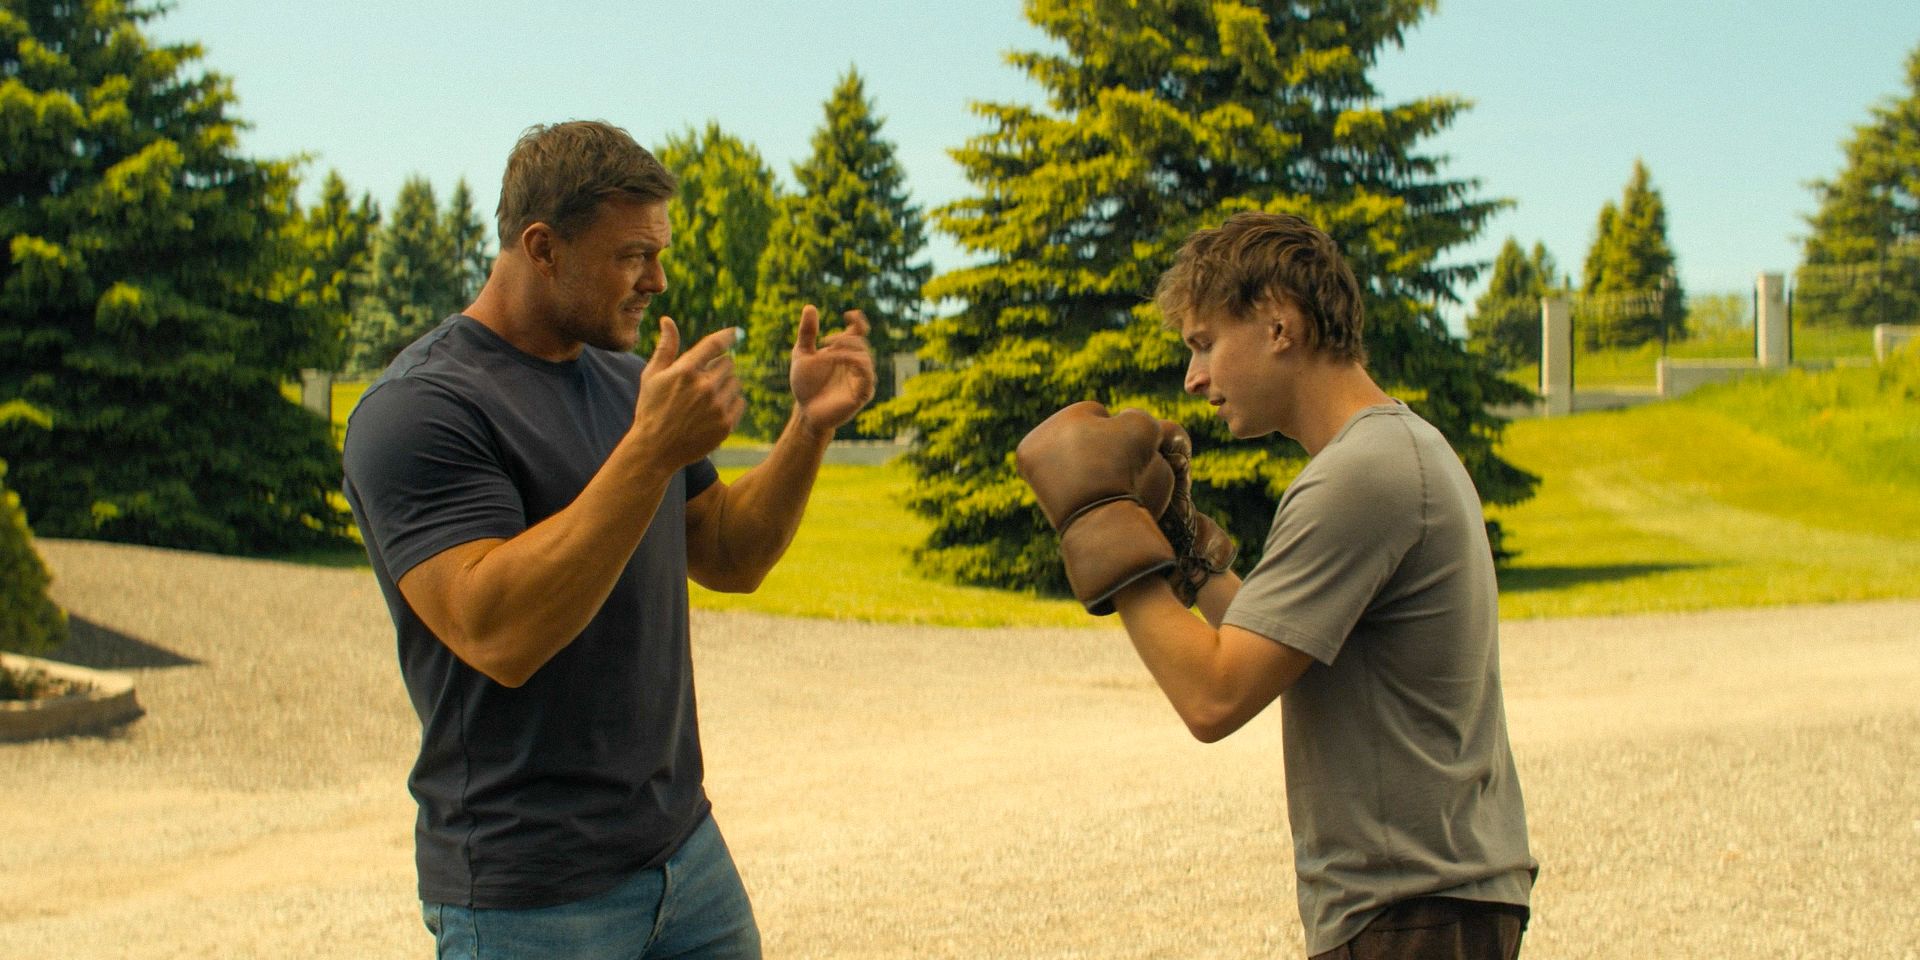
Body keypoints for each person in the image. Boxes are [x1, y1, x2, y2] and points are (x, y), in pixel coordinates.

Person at [341, 119, 875, 960]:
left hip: (685, 858)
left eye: (658, 254)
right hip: (529, 898)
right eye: (634, 255)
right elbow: (500, 631)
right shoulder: (419, 410)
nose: (657, 280)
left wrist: (808, 427)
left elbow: (730, 554)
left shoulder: (633, 384)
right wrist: (650, 449)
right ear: (543, 246)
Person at [1016, 212, 1536, 959]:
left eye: (1205, 344)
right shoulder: (1394, 451)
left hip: (1410, 910)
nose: (1194, 379)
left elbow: (1215, 695)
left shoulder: (1360, 476)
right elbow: (1263, 644)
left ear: (1278, 325)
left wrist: (1102, 524)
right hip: (1433, 902)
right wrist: (1182, 548)